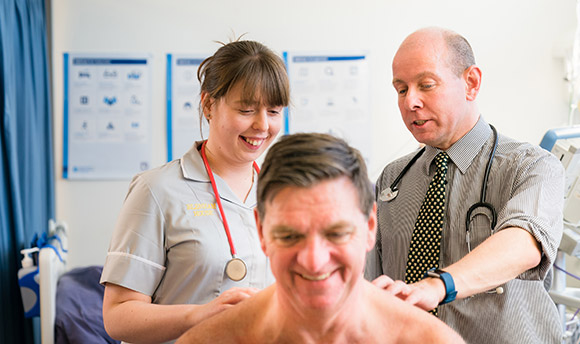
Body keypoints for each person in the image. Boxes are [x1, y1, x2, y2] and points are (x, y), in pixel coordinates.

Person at [365, 27, 565, 343]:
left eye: (426, 85)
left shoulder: (531, 166)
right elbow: (370, 285)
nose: (411, 101)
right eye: (401, 90)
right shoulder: (392, 179)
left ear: (471, 82)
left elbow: (525, 241)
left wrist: (437, 286)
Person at [176, 133, 465, 344]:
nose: (314, 262)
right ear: (262, 232)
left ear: (369, 227)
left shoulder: (427, 340)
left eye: (336, 234)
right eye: (290, 236)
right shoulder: (212, 340)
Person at [100, 39, 290, 343]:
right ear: (208, 105)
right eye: (246, 109)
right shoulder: (157, 190)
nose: (261, 125)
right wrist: (200, 314)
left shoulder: (282, 193)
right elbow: (118, 315)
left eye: (274, 111)